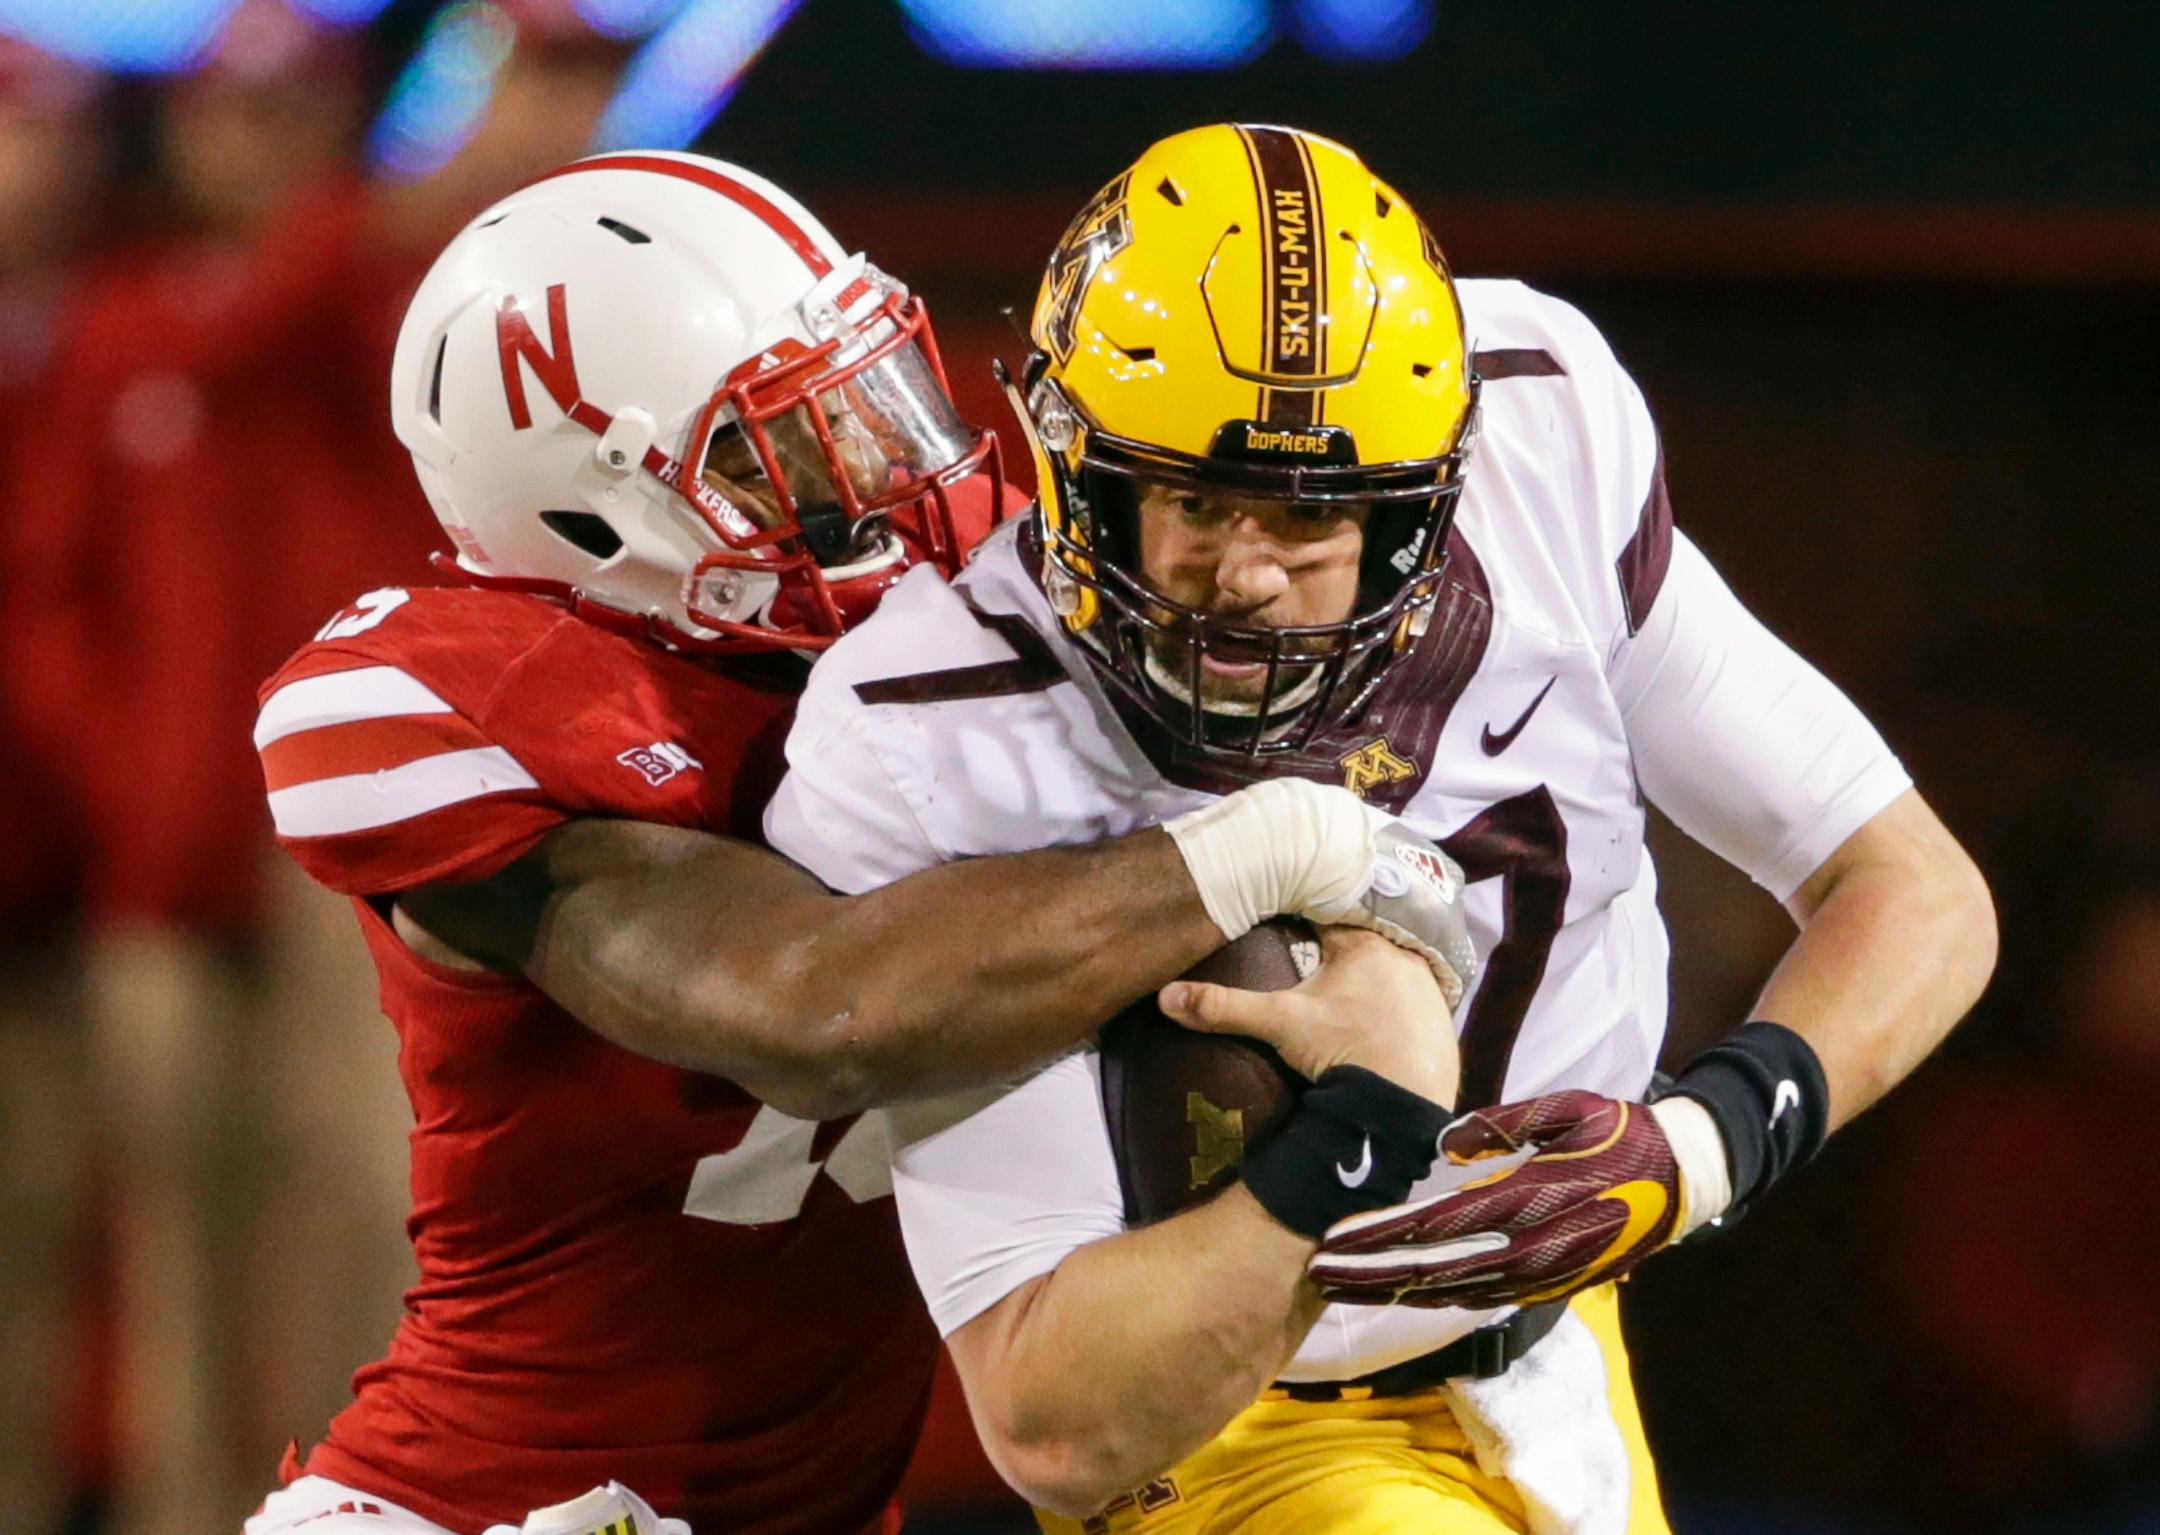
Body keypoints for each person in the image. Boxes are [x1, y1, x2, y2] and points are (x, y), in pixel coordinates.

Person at [763, 123, 1997, 1533]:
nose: (1246, 577)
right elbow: (1056, 1423)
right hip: (1226, 1426)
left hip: (1563, 1371)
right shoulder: (923, 727)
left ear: (1424, 506)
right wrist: (1370, 1118)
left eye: (1311, 518)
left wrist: (1699, 1147)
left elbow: (1911, 887)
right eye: (1191, 499)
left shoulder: (1541, 434)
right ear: (1070, 461)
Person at [242, 149, 1467, 1535]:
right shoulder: (471, 704)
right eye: (779, 450)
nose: (882, 478)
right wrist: (1277, 844)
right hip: (489, 1508)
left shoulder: (959, 607)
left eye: (865, 405)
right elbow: (817, 1010)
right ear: (590, 503)